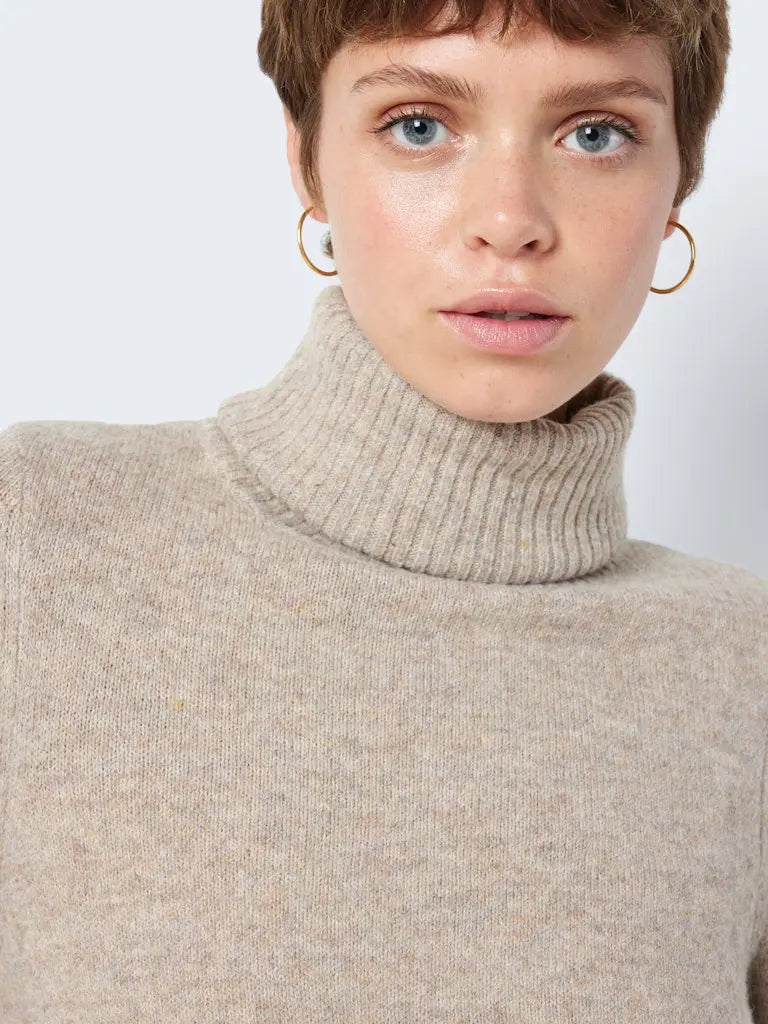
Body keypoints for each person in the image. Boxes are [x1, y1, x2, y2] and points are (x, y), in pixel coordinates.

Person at [0, 0, 765, 1020]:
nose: (510, 220)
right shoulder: (35, 540)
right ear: (307, 159)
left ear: (680, 180)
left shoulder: (746, 666)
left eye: (595, 134)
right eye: (418, 125)